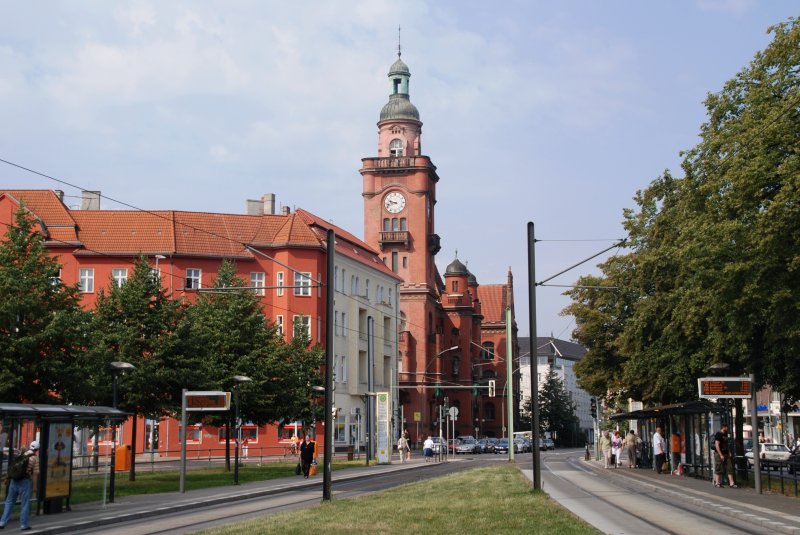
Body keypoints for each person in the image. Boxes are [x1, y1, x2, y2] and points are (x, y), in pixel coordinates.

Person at [0, 440, 40, 531]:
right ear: (37, 449)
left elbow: (14, 467)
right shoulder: (35, 458)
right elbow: (35, 474)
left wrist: (8, 478)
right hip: (25, 482)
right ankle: (24, 525)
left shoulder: (22, 454)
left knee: (9, 502)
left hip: (14, 481)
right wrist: (34, 487)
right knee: (25, 504)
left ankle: (2, 522)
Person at [713, 423, 737, 488]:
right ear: (723, 427)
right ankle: (717, 482)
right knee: (719, 467)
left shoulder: (726, 434)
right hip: (719, 453)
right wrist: (720, 454)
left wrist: (729, 452)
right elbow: (717, 445)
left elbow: (727, 444)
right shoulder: (718, 434)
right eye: (726, 427)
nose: (727, 429)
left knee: (729, 467)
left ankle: (731, 483)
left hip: (726, 453)